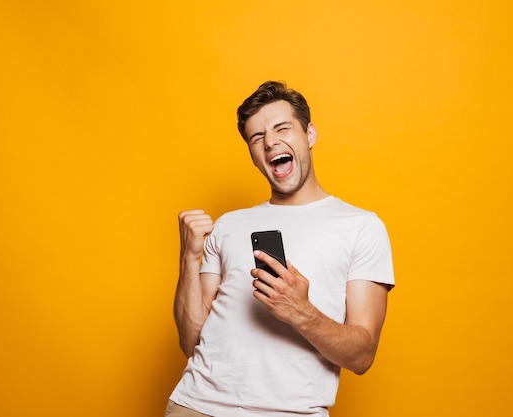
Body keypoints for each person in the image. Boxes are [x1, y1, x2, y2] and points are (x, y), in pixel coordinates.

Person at [166, 81, 394, 417]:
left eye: (281, 128)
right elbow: (191, 341)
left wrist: (301, 311)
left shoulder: (361, 226)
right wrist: (188, 258)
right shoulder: (228, 225)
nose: (270, 142)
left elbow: (362, 356)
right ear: (254, 156)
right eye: (257, 138)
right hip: (196, 406)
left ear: (309, 135)